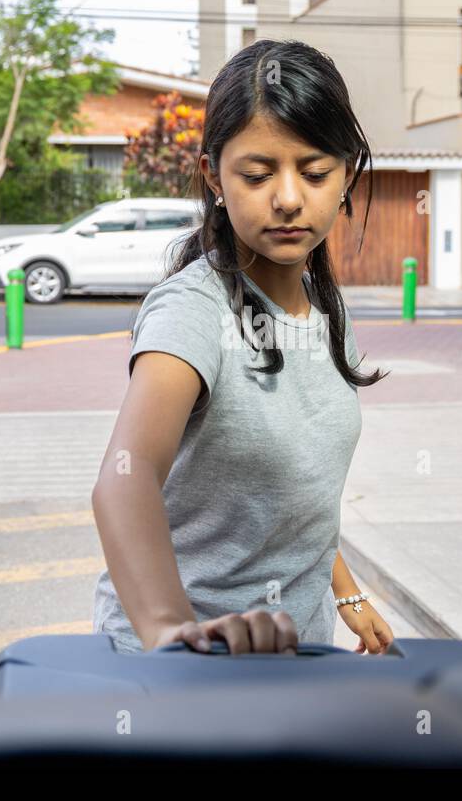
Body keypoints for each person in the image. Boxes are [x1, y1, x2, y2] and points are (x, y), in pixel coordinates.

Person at [90, 39, 394, 656]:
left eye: (314, 173)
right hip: (189, 665)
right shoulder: (192, 312)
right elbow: (125, 478)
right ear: (215, 177)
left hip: (298, 654)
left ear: (346, 176)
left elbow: (295, 495)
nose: (287, 198)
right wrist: (173, 632)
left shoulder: (325, 306)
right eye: (257, 175)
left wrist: (347, 593)